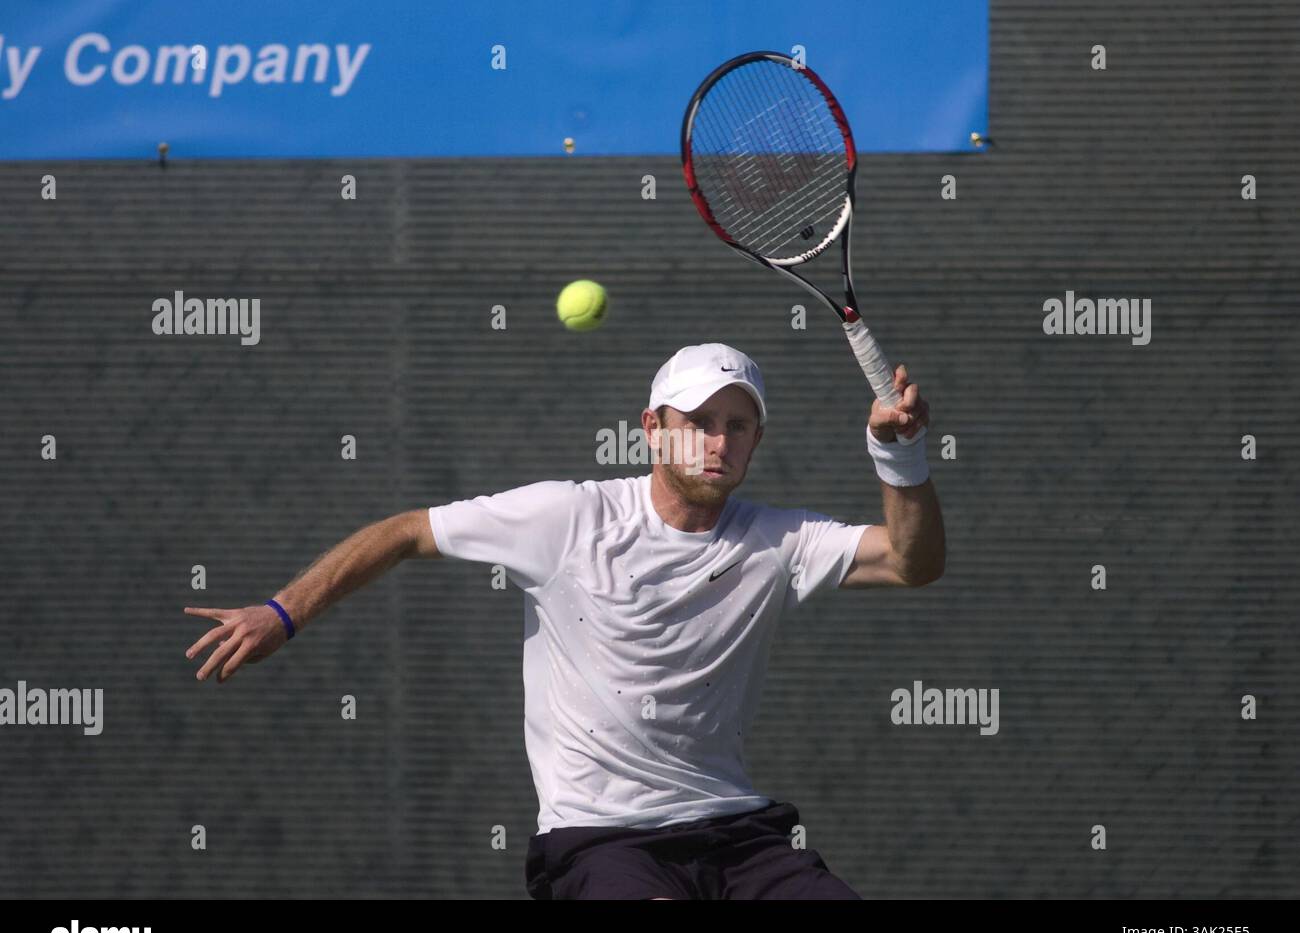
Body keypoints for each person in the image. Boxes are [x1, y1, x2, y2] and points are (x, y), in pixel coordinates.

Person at [183, 342, 944, 899]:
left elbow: (913, 562)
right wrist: (284, 611)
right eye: (698, 420)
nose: (717, 442)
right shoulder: (569, 517)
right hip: (601, 844)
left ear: (756, 440)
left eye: (738, 425)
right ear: (652, 427)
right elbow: (407, 530)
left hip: (741, 836)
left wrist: (899, 461)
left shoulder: (779, 540)